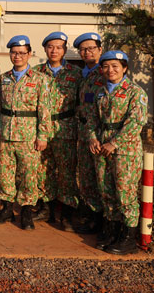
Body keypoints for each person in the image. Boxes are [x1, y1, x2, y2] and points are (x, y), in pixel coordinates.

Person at [0, 35, 51, 230]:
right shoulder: (4, 78)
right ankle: (6, 208)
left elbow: (45, 110)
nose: (18, 56)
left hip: (28, 136)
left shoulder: (40, 79)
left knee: (28, 174)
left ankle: (26, 211)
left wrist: (42, 136)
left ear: (29, 54)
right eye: (14, 53)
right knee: (5, 172)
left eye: (22, 53)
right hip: (5, 133)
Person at [88, 50, 147, 255]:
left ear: (124, 69)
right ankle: (112, 231)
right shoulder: (101, 92)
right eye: (106, 66)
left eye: (115, 66)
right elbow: (93, 119)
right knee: (106, 191)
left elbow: (135, 122)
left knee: (125, 193)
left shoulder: (135, 92)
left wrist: (115, 143)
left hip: (125, 151)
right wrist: (93, 137)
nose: (110, 70)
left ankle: (129, 237)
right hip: (102, 148)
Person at [33, 32, 82, 229]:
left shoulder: (75, 74)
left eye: (59, 47)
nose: (54, 50)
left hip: (65, 128)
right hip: (41, 129)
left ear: (64, 50)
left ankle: (68, 213)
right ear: (45, 48)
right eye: (51, 47)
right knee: (43, 170)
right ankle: (46, 208)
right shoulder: (36, 72)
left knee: (66, 172)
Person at [73, 32, 105, 234]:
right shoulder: (80, 74)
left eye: (91, 48)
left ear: (100, 50)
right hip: (83, 132)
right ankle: (93, 217)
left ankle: (105, 220)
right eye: (83, 49)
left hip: (101, 134)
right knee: (86, 178)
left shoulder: (106, 72)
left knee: (102, 177)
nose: (87, 52)